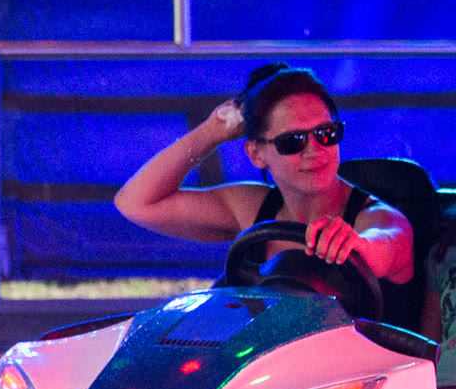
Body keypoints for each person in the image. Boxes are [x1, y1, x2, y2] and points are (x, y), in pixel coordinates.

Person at [112, 62, 415, 312]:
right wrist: (213, 131)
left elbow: (386, 244)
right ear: (256, 153)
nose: (314, 150)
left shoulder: (377, 217)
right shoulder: (252, 207)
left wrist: (357, 246)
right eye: (293, 141)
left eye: (325, 133)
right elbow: (137, 203)